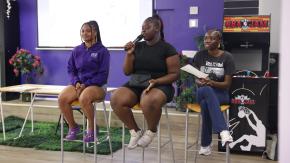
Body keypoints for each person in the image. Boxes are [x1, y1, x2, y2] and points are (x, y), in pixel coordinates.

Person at [110, 15, 180, 149]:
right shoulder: (137, 46)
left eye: (147, 28)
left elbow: (175, 74)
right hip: (137, 83)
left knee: (147, 100)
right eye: (142, 29)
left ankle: (151, 131)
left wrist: (157, 81)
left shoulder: (167, 48)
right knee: (116, 99)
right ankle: (135, 131)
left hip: (160, 84)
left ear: (157, 28)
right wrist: (129, 54)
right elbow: (127, 72)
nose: (143, 31)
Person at [58, 20, 110, 142]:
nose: (84, 33)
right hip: (79, 84)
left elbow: (103, 75)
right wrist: (76, 82)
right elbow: (71, 69)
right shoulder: (76, 50)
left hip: (97, 85)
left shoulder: (102, 51)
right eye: (82, 31)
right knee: (62, 98)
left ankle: (91, 130)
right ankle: (73, 127)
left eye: (88, 31)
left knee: (84, 98)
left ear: (95, 32)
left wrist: (85, 84)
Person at [192, 30, 235, 155]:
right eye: (206, 38)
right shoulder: (200, 55)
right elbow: (195, 77)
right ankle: (223, 131)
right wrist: (200, 81)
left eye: (211, 38)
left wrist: (212, 83)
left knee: (206, 103)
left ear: (219, 41)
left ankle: (205, 145)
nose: (207, 40)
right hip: (202, 91)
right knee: (205, 90)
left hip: (221, 94)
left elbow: (227, 84)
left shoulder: (227, 57)